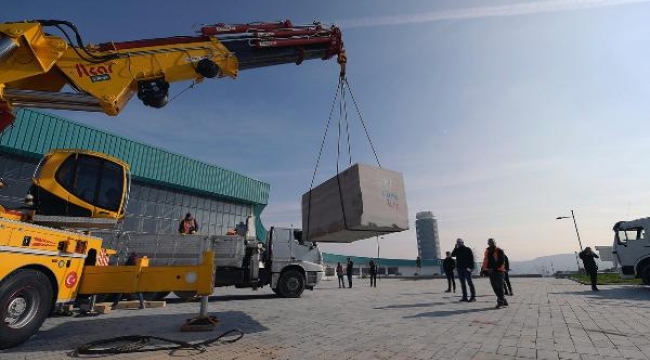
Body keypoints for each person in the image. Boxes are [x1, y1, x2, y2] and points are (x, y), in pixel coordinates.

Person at [481, 238, 508, 309]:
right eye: (489, 242)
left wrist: (494, 268)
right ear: (488, 243)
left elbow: (501, 261)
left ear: (495, 242)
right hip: (491, 272)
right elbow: (485, 261)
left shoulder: (499, 251)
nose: (491, 243)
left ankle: (500, 302)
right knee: (495, 287)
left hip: (499, 271)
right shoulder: (487, 251)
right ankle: (503, 300)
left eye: (492, 242)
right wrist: (482, 270)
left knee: (499, 287)